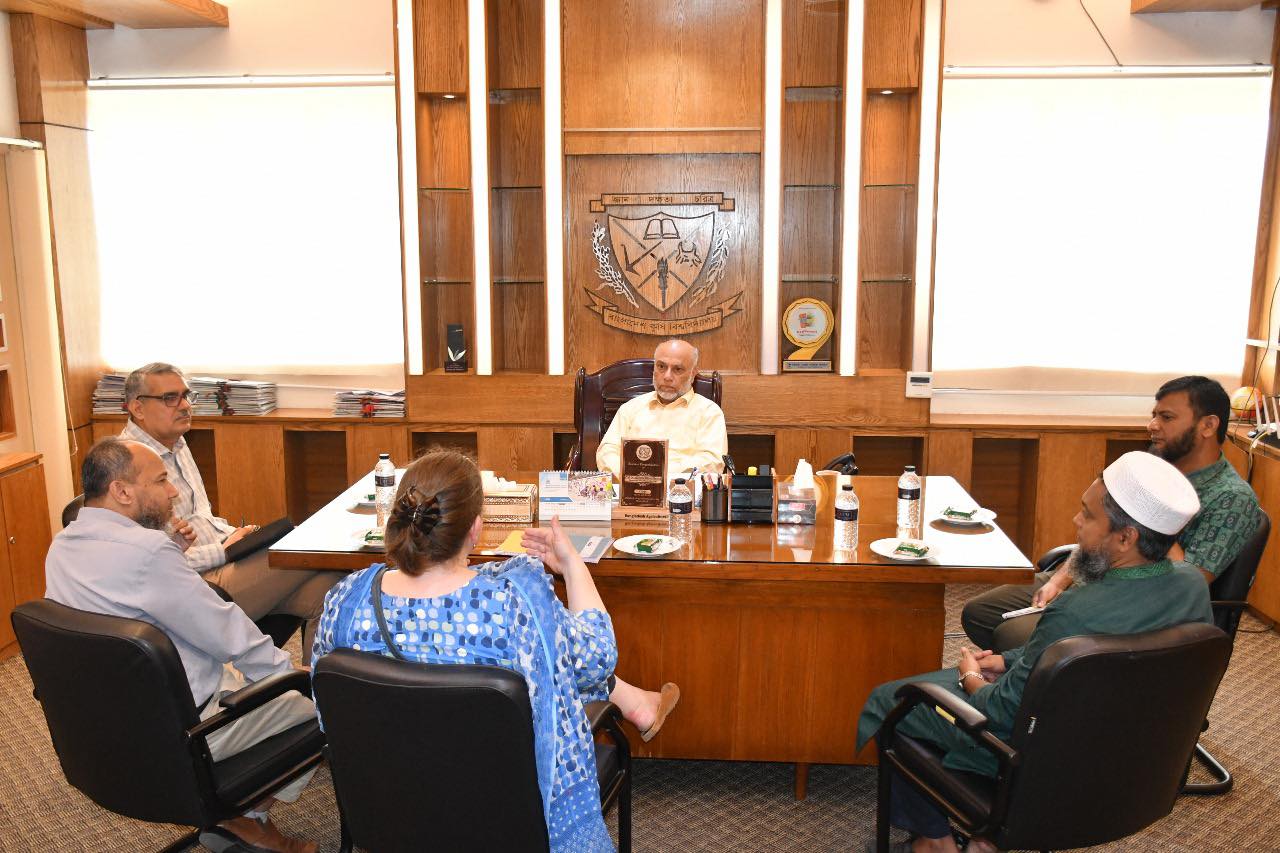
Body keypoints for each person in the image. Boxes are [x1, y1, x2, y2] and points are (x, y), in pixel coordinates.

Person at [312, 450, 680, 852]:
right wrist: (573, 565)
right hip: (504, 809)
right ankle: (637, 704)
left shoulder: (346, 601)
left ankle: (637, 702)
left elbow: (329, 712)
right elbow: (596, 660)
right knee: (556, 667)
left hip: (390, 804)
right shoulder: (513, 605)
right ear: (475, 528)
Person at [858, 451, 1213, 853]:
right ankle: (984, 843)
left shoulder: (1075, 610)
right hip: (1126, 757)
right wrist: (1008, 660)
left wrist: (970, 675)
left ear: (1125, 538)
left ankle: (935, 843)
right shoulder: (1191, 586)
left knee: (891, 701)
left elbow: (998, 711)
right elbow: (1086, 654)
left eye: (1088, 515)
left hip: (1038, 759)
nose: (1076, 521)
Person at [46, 438, 318, 853]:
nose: (172, 491)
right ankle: (245, 817)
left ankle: (235, 816)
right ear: (122, 491)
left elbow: (123, 601)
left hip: (107, 726)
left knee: (252, 672)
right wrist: (293, 678)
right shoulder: (147, 552)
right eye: (160, 481)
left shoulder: (61, 546)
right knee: (319, 710)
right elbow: (226, 632)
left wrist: (171, 557)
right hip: (185, 729)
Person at [962, 375, 1262, 652]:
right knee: (981, 612)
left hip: (1142, 606)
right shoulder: (1151, 462)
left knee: (1015, 634)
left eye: (1167, 417)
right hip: (1094, 571)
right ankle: (1041, 675)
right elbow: (1100, 530)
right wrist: (1060, 580)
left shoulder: (1231, 497)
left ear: (1208, 425)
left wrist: (1158, 518)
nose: (1153, 425)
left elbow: (1188, 584)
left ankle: (1045, 674)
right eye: (1154, 415)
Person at [121, 362, 338, 661]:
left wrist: (242, 537)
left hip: (224, 560)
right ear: (137, 408)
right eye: (170, 398)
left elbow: (203, 517)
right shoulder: (128, 465)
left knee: (330, 590)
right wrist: (224, 551)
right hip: (196, 584)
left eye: (186, 396)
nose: (184, 406)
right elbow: (155, 559)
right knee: (311, 549)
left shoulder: (176, 443)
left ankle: (316, 685)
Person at [595, 339, 728, 479]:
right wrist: (631, 475)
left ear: (693, 373)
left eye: (678, 369)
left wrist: (658, 474)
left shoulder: (709, 412)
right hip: (630, 486)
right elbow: (607, 452)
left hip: (681, 489)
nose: (667, 376)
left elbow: (712, 462)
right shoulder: (630, 408)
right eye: (661, 367)